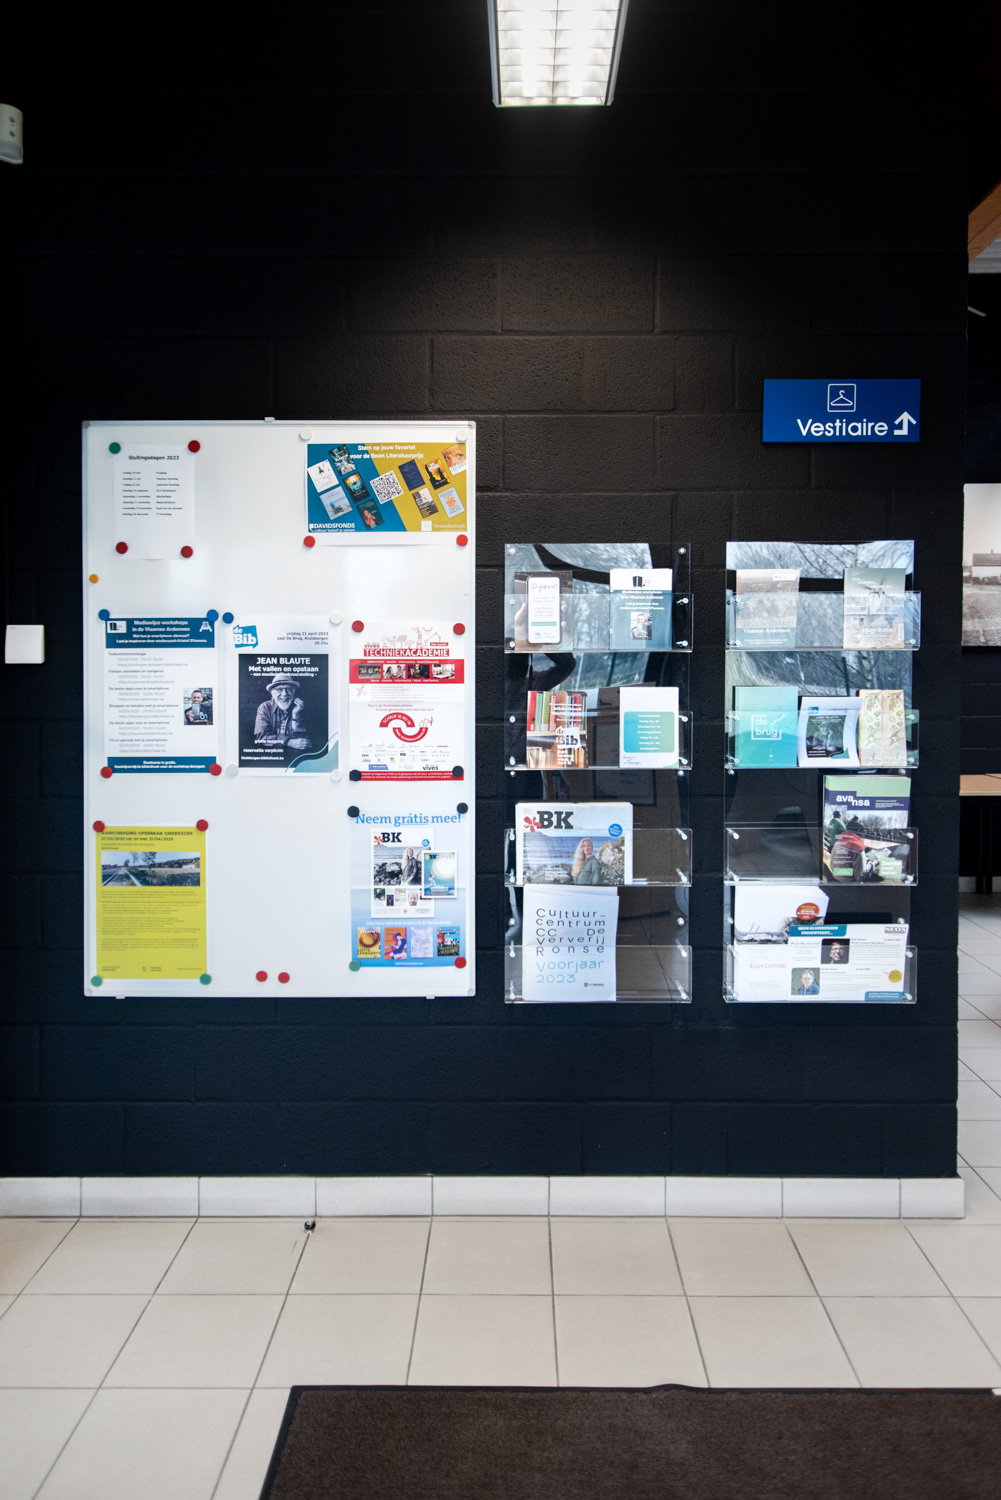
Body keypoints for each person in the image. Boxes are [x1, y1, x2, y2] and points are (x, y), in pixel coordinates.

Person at [253, 674, 311, 750]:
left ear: (294, 692)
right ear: (272, 693)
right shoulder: (264, 708)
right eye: (279, 689)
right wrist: (288, 742)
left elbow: (302, 742)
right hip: (271, 753)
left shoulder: (300, 708)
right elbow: (261, 737)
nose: (284, 694)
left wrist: (295, 715)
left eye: (289, 689)